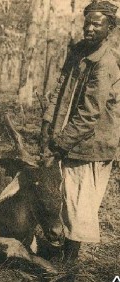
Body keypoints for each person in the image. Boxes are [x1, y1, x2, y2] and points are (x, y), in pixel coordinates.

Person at [40, 1, 120, 265]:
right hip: (71, 138)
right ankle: (62, 249)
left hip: (92, 143)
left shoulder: (106, 62)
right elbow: (60, 89)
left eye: (97, 23)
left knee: (79, 201)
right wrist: (47, 125)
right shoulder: (77, 51)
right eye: (87, 22)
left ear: (110, 28)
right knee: (66, 196)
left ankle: (69, 261)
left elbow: (90, 114)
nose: (90, 28)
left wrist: (60, 144)